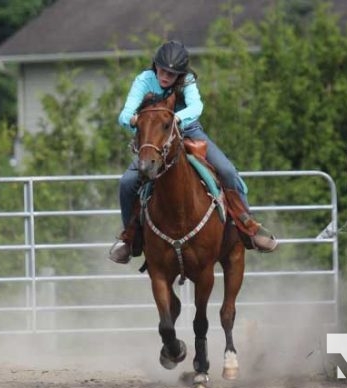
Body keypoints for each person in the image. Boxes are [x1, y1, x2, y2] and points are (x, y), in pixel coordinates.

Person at [109, 40, 277, 264]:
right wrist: (136, 121)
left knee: (227, 170)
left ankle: (249, 227)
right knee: (127, 183)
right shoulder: (143, 80)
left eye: (172, 73)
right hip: (156, 139)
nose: (166, 76)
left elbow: (196, 107)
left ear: (180, 74)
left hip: (189, 131)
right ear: (155, 66)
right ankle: (129, 238)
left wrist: (176, 119)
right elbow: (125, 113)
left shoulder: (186, 81)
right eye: (162, 70)